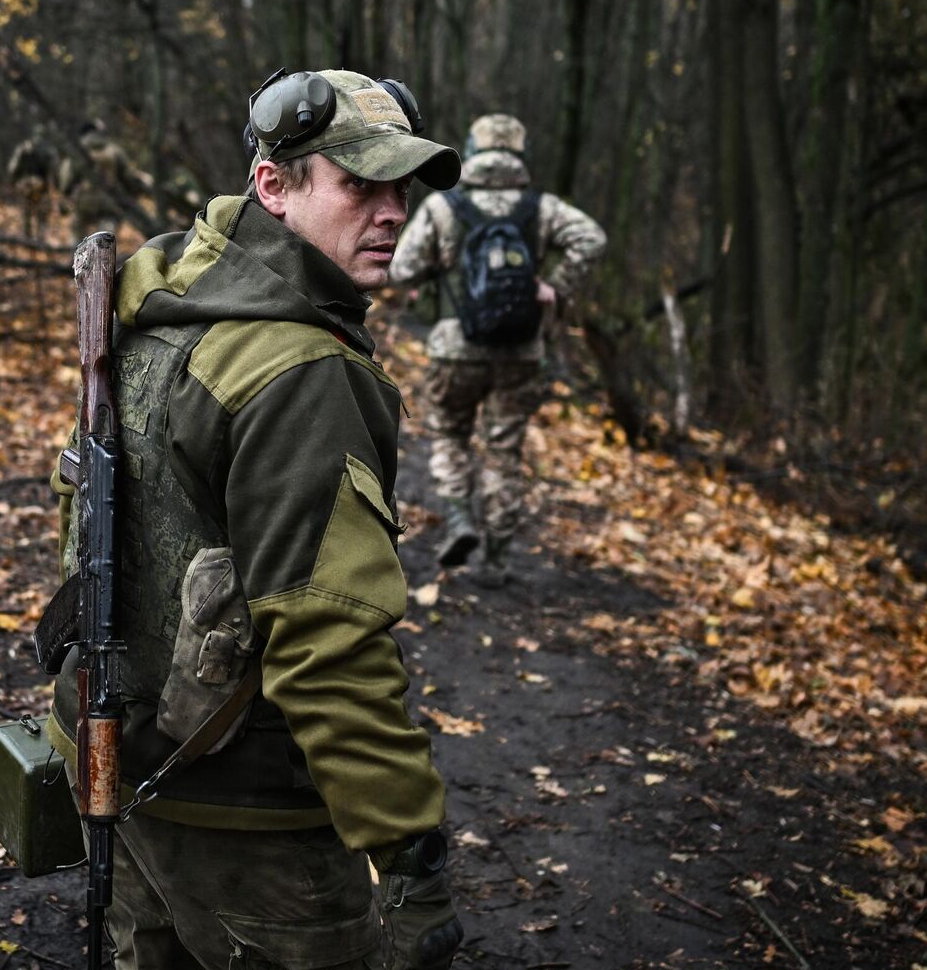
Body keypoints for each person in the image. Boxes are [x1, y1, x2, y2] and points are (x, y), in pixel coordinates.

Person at [46, 69, 465, 970]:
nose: (393, 212)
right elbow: (329, 641)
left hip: (111, 751)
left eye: (403, 188)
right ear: (273, 185)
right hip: (246, 814)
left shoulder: (154, 302)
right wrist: (410, 854)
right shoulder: (299, 371)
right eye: (360, 185)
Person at [387, 113, 607, 588]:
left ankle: (462, 518)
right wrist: (555, 288)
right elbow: (592, 238)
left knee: (449, 434)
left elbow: (401, 269)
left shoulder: (445, 206)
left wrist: (432, 278)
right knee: (504, 450)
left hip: (454, 346)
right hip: (522, 348)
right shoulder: (541, 207)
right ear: (518, 153)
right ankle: (497, 557)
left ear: (474, 148)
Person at [7, 134, 54, 240]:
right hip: (35, 187)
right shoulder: (44, 150)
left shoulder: (24, 151)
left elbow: (13, 170)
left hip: (32, 186)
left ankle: (30, 239)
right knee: (36, 214)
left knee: (30, 213)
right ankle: (36, 239)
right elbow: (50, 172)